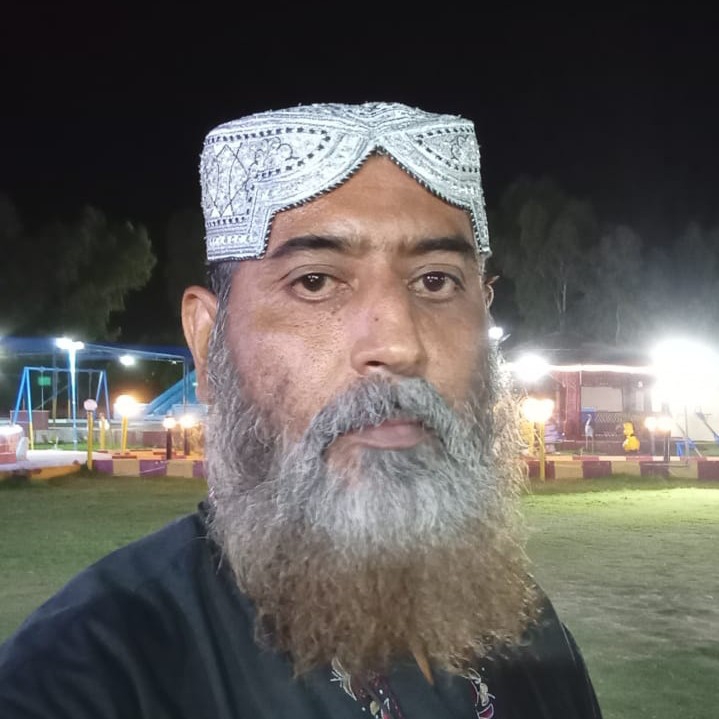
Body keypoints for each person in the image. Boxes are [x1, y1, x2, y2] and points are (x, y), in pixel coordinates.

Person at [0, 102, 603, 718]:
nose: (398, 343)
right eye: (315, 282)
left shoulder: (525, 633)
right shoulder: (89, 674)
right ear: (209, 342)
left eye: (435, 281)